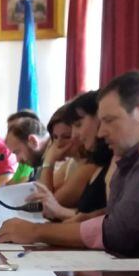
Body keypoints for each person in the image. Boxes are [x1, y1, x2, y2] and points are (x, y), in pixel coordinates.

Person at [0, 71, 139, 260]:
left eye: (109, 121)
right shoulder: (132, 156)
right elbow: (118, 213)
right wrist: (89, 217)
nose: (101, 133)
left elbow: (120, 232)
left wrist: (35, 232)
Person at [25, 91, 113, 221]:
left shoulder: (91, 166)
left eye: (66, 136)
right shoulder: (71, 163)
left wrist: (49, 161)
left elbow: (51, 204)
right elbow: (45, 198)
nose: (59, 143)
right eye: (55, 137)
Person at [4, 112, 49, 185]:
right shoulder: (38, 164)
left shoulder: (61, 162)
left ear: (33, 141)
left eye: (17, 152)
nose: (18, 160)